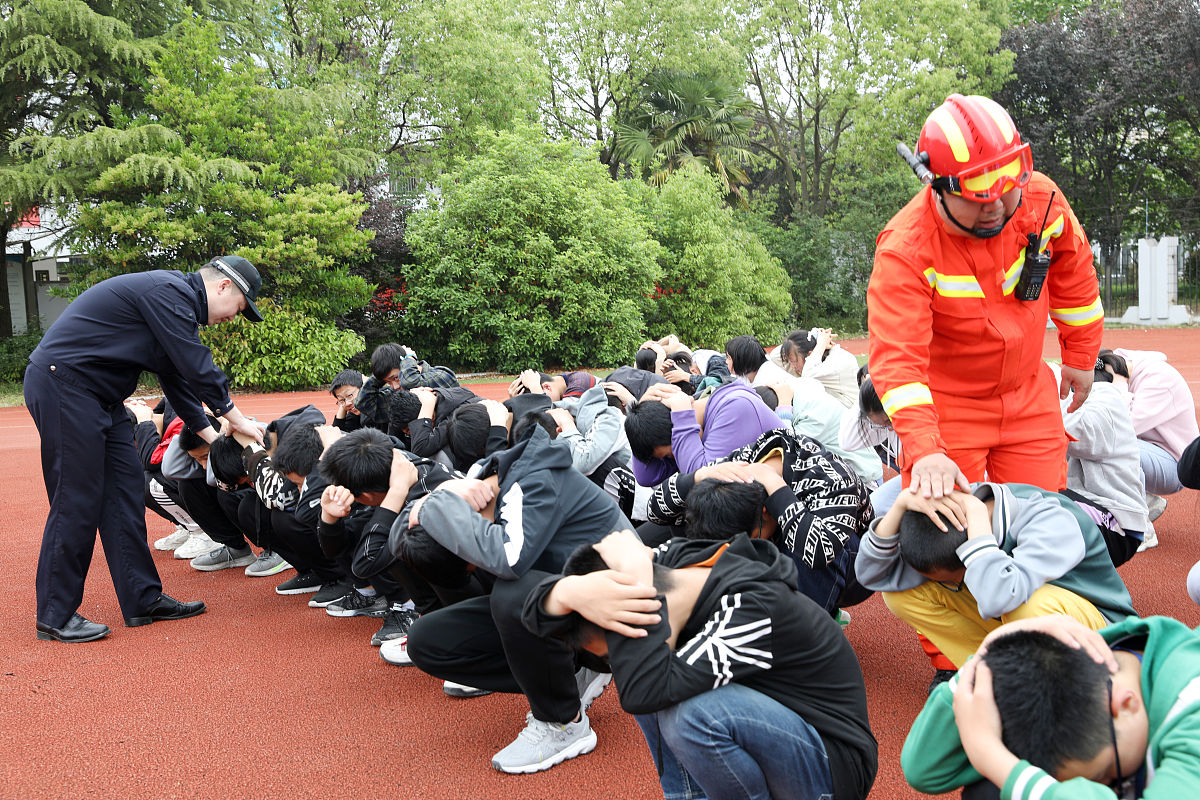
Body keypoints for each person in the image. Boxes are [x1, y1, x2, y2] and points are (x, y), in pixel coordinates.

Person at [524, 530, 879, 800]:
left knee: (685, 710)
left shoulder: (750, 609)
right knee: (648, 669)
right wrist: (568, 592)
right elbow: (528, 613)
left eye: (606, 651)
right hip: (775, 721)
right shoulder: (663, 569)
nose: (606, 663)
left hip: (832, 766)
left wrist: (637, 585)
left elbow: (642, 691)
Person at [867, 93, 1103, 499]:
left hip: (1028, 393)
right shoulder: (905, 250)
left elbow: (1075, 276)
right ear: (935, 186)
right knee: (949, 537)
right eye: (977, 191)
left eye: (1007, 182)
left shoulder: (1041, 201)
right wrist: (925, 448)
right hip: (949, 409)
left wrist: (1081, 358)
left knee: (1041, 525)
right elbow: (898, 359)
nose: (995, 204)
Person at [25, 255, 264, 642]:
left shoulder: (171, 305)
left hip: (101, 398)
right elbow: (195, 364)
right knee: (78, 499)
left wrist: (218, 438)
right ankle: (55, 613)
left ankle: (142, 599)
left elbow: (178, 382)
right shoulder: (167, 291)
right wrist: (234, 417)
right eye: (239, 308)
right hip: (65, 386)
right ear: (223, 286)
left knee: (125, 494)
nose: (233, 317)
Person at [902, 614, 1200, 800]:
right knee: (992, 790)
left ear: (1124, 704)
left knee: (1009, 778)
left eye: (1106, 775)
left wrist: (989, 754)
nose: (1107, 787)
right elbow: (924, 770)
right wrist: (989, 653)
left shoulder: (1192, 712)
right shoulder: (1081, 666)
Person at [855, 484, 1136, 668]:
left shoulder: (1050, 519)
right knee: (900, 594)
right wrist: (900, 506)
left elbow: (1001, 597)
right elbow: (869, 575)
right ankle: (995, 676)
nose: (959, 586)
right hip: (1022, 621)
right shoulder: (952, 518)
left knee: (1025, 605)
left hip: (1105, 633)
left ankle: (1059, 692)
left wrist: (976, 525)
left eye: (958, 578)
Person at [1101, 348, 1199, 501]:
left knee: (1110, 444)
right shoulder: (1117, 363)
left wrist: (1119, 386)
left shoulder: (1159, 380)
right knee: (1093, 443)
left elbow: (1123, 427)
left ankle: (1139, 506)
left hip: (1175, 466)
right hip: (1146, 448)